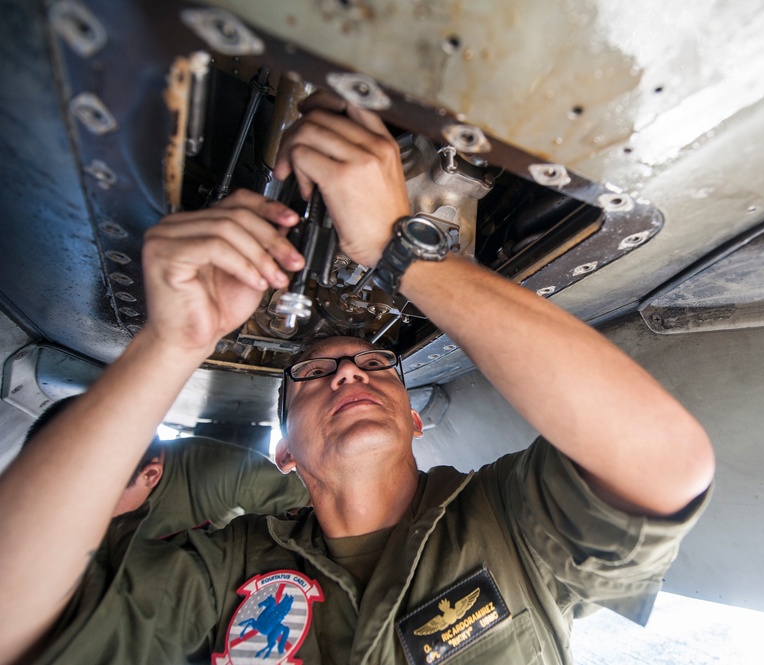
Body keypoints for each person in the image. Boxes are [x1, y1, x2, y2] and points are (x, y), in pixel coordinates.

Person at [0, 92, 715, 664]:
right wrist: (169, 342)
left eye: (377, 365)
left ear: (413, 418)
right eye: (313, 374)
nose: (349, 372)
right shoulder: (228, 567)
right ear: (283, 453)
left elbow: (665, 461)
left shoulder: (507, 518)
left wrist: (402, 251)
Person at [20, 395, 310, 540]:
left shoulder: (225, 471)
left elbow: (310, 507)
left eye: (90, 504)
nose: (74, 517)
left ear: (150, 475)